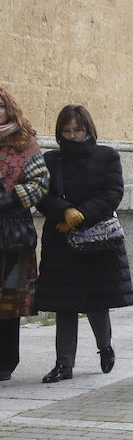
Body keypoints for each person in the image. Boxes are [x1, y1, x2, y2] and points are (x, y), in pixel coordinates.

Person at [34, 106, 133, 381]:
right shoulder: (51, 160)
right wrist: (63, 210)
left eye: (77, 130)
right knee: (64, 304)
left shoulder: (107, 157)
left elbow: (113, 193)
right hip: (60, 239)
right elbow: (41, 194)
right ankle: (64, 364)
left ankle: (105, 347)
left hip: (97, 240)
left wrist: (81, 215)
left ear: (88, 129)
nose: (72, 135)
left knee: (96, 302)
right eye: (67, 131)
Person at [0, 87, 51, 381]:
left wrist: (12, 197)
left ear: (10, 108)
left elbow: (40, 181)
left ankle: (5, 362)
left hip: (12, 232)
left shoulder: (24, 142)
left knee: (8, 301)